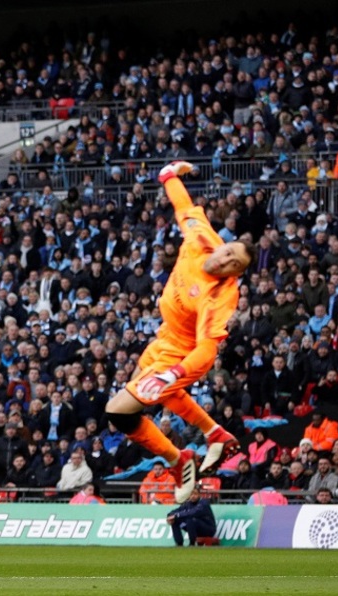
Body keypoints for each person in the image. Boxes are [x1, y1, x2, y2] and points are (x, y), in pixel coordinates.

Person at [104, 161, 255, 502]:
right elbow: (183, 207)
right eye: (228, 252)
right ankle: (213, 434)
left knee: (118, 410)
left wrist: (174, 373)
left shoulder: (219, 296)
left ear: (237, 273)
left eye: (235, 265)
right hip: (164, 337)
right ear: (223, 245)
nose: (226, 261)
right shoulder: (203, 237)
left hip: (183, 352)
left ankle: (178, 458)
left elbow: (207, 349)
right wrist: (169, 175)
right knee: (147, 398)